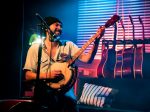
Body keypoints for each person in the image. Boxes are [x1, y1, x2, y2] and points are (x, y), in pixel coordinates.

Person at [23, 16, 105, 112]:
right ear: (46, 28)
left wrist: (97, 41)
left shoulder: (68, 45)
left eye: (61, 26)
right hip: (43, 90)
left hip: (64, 92)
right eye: (56, 25)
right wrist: (47, 75)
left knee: (71, 105)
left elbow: (87, 59)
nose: (60, 28)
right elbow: (28, 75)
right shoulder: (35, 48)